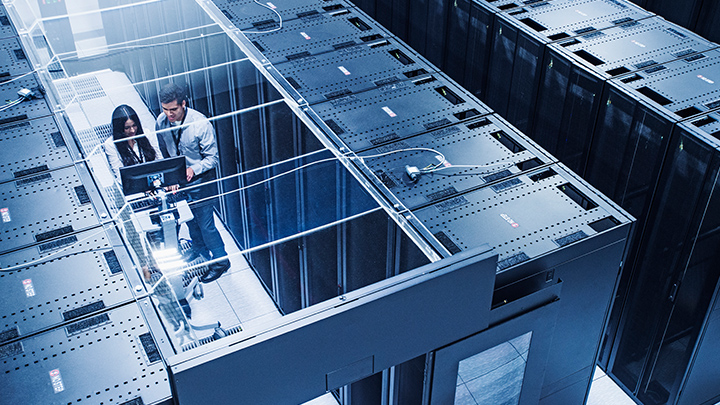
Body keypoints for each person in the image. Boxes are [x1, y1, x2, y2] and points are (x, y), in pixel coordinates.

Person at [155, 83, 231, 284]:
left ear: (183, 104)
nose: (168, 114)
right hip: (179, 182)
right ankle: (199, 249)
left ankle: (221, 261)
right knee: (189, 219)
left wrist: (193, 169)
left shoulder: (200, 124)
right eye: (165, 109)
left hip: (201, 180)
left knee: (206, 225)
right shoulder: (161, 121)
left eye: (173, 109)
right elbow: (164, 152)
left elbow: (212, 159)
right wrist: (170, 176)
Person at [104, 104, 164, 181]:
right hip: (132, 185)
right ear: (120, 129)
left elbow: (159, 159)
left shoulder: (146, 134)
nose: (132, 130)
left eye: (134, 125)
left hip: (154, 179)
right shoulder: (111, 144)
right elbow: (119, 176)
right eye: (127, 128)